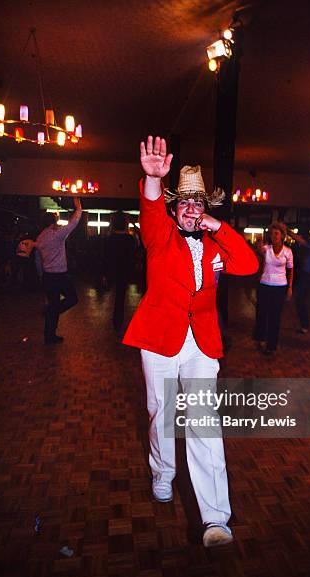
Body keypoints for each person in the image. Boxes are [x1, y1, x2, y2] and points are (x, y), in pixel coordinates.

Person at [122, 136, 258, 547]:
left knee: (203, 423)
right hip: (160, 338)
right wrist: (150, 178)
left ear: (206, 209)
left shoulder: (216, 242)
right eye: (184, 203)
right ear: (174, 207)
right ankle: (163, 473)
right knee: (161, 411)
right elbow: (148, 210)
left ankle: (216, 518)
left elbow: (248, 264)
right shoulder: (160, 234)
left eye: (199, 204)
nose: (192, 210)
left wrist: (219, 227)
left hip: (202, 343)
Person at [35, 197, 82, 344]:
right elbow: (73, 223)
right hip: (59, 276)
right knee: (72, 299)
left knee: (54, 304)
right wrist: (78, 206)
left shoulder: (40, 237)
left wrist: (41, 276)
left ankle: (50, 336)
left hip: (48, 276)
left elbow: (38, 260)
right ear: (53, 222)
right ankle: (50, 316)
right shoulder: (56, 234)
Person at [253, 222, 293, 355]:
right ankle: (261, 338)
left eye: (277, 233)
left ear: (282, 235)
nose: (274, 236)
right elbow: (257, 255)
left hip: (280, 286)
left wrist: (290, 288)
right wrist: (258, 249)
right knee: (262, 313)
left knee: (275, 316)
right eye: (272, 233)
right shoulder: (266, 249)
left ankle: (272, 345)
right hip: (265, 284)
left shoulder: (288, 251)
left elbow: (290, 270)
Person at [102, 212, 138, 332]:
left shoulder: (109, 239)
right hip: (124, 271)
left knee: (113, 296)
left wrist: (104, 274)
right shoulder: (130, 239)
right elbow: (133, 257)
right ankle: (118, 322)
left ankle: (115, 322)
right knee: (120, 298)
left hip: (112, 270)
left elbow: (105, 258)